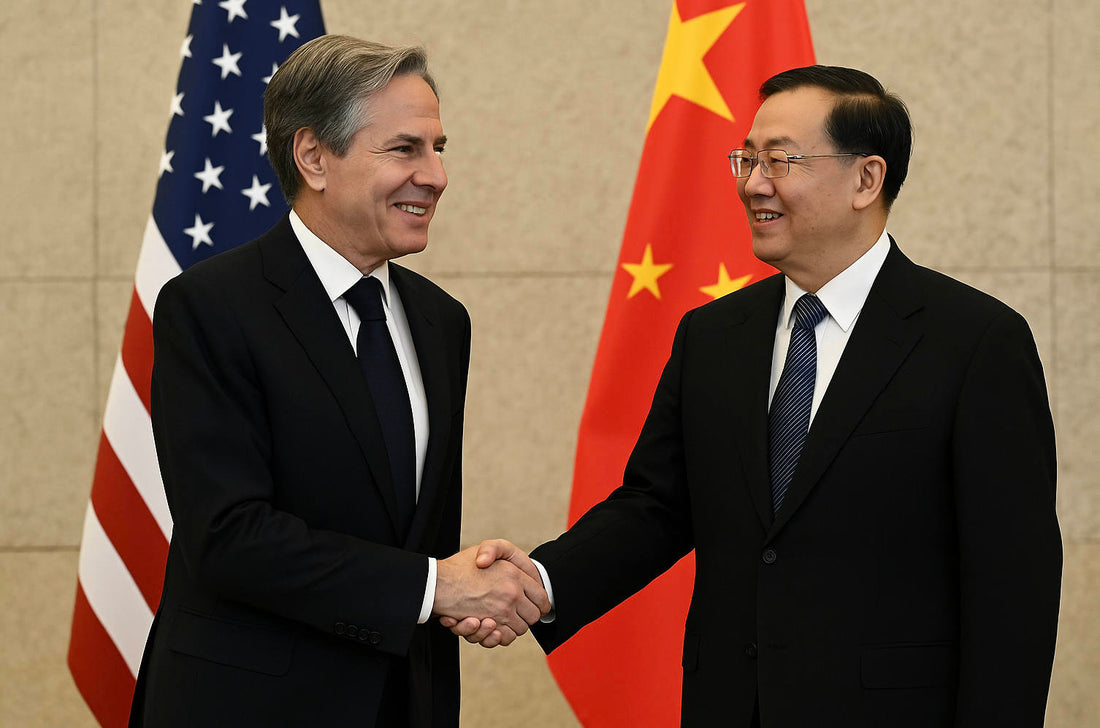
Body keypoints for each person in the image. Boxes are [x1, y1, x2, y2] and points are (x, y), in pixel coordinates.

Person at [450, 65, 1062, 727]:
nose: (753, 184)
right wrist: (539, 584)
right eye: (746, 158)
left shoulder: (974, 341)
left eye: (780, 160)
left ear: (867, 179)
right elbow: (658, 505)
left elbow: (1013, 585)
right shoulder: (715, 336)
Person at [128, 35, 548, 728]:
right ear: (314, 158)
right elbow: (228, 535)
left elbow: (410, 534)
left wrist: (457, 586)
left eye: (439, 148)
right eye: (406, 149)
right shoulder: (210, 306)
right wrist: (437, 586)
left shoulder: (443, 322)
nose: (436, 175)